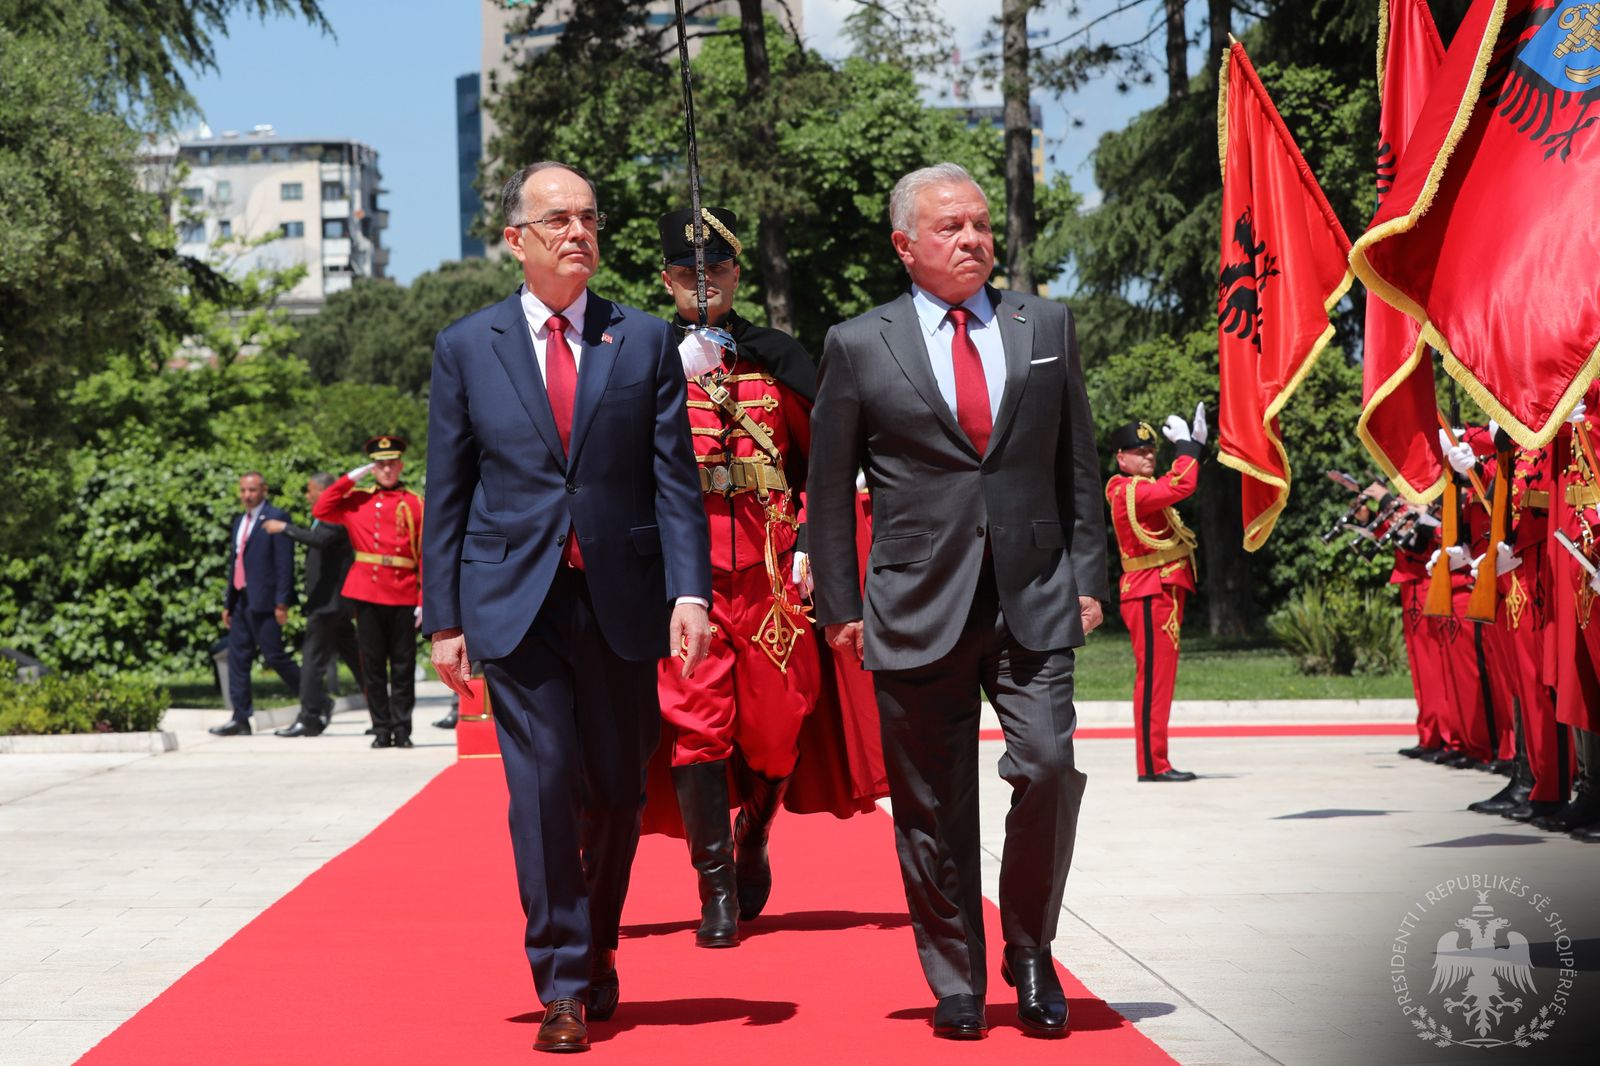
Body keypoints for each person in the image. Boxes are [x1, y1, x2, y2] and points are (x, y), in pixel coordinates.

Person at [808, 162, 1109, 1041]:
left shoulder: (1043, 324)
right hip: (914, 603)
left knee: (1048, 768)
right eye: (951, 227)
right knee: (932, 805)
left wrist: (1090, 577)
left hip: (1034, 595)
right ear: (905, 246)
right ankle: (956, 977)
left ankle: (1030, 951)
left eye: (980, 223)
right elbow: (828, 488)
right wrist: (840, 605)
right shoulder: (859, 343)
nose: (973, 238)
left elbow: (1078, 460)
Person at [422, 161, 711, 1053]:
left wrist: (690, 590)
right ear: (517, 239)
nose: (578, 232)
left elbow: (674, 479)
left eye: (589, 217)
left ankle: (597, 939)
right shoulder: (467, 346)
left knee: (618, 792)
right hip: (514, 602)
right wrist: (444, 619)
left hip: (622, 598)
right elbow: (448, 490)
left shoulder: (644, 339)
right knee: (543, 789)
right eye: (558, 219)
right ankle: (562, 982)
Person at [651, 205, 824, 948]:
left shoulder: (777, 357)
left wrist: (813, 542)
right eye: (687, 273)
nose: (703, 284)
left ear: (736, 275)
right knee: (696, 729)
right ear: (667, 280)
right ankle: (714, 885)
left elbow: (823, 463)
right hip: (685, 581)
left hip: (770, 577)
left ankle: (754, 831)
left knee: (778, 732)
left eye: (716, 270)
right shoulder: (647, 359)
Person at [1104, 412, 1206, 782]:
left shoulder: (1142, 488)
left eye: (1150, 450)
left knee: (1161, 678)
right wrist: (1189, 447)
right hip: (1149, 591)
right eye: (1139, 451)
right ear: (1121, 458)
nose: (1148, 456)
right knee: (1153, 681)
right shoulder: (1126, 490)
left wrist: (1193, 449)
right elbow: (1179, 485)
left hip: (1162, 590)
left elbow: (1173, 485)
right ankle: (1152, 764)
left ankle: (1156, 761)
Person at [313, 437, 425, 749]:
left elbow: (426, 556)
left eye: (391, 464)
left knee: (402, 666)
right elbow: (321, 509)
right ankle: (381, 728)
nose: (387, 470)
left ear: (401, 466)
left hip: (403, 591)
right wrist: (350, 478)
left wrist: (423, 599)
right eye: (380, 465)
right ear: (373, 468)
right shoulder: (356, 500)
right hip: (367, 591)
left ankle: (402, 728)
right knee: (372, 667)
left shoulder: (415, 503)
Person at [262, 472, 363, 738]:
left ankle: (308, 718)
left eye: (311, 490)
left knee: (312, 660)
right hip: (332, 603)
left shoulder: (336, 515)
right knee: (357, 659)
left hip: (329, 604)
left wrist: (284, 528)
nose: (307, 496)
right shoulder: (326, 516)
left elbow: (319, 540)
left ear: (325, 491)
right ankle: (382, 711)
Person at [213, 472, 301, 736]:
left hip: (265, 600)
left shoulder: (276, 517)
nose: (247, 495)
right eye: (243, 490)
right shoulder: (240, 521)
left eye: (252, 490)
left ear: (264, 490)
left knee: (275, 656)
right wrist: (229, 602)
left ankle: (315, 699)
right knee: (238, 657)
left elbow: (284, 563)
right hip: (242, 599)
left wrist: (282, 602)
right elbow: (236, 563)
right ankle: (240, 717)